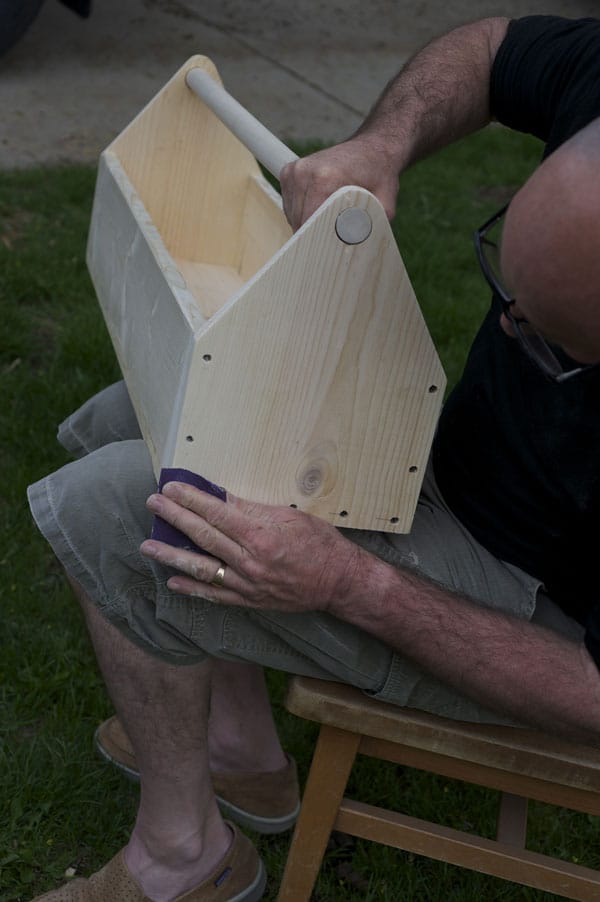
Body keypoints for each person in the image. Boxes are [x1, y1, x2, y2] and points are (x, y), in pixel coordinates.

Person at [28, 13, 600, 902]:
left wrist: (347, 584)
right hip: (450, 478)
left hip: (539, 613)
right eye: (509, 286)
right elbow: (496, 50)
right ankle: (240, 752)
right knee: (142, 415)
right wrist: (383, 143)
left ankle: (185, 859)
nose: (508, 321)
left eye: (555, 340)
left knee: (133, 506)